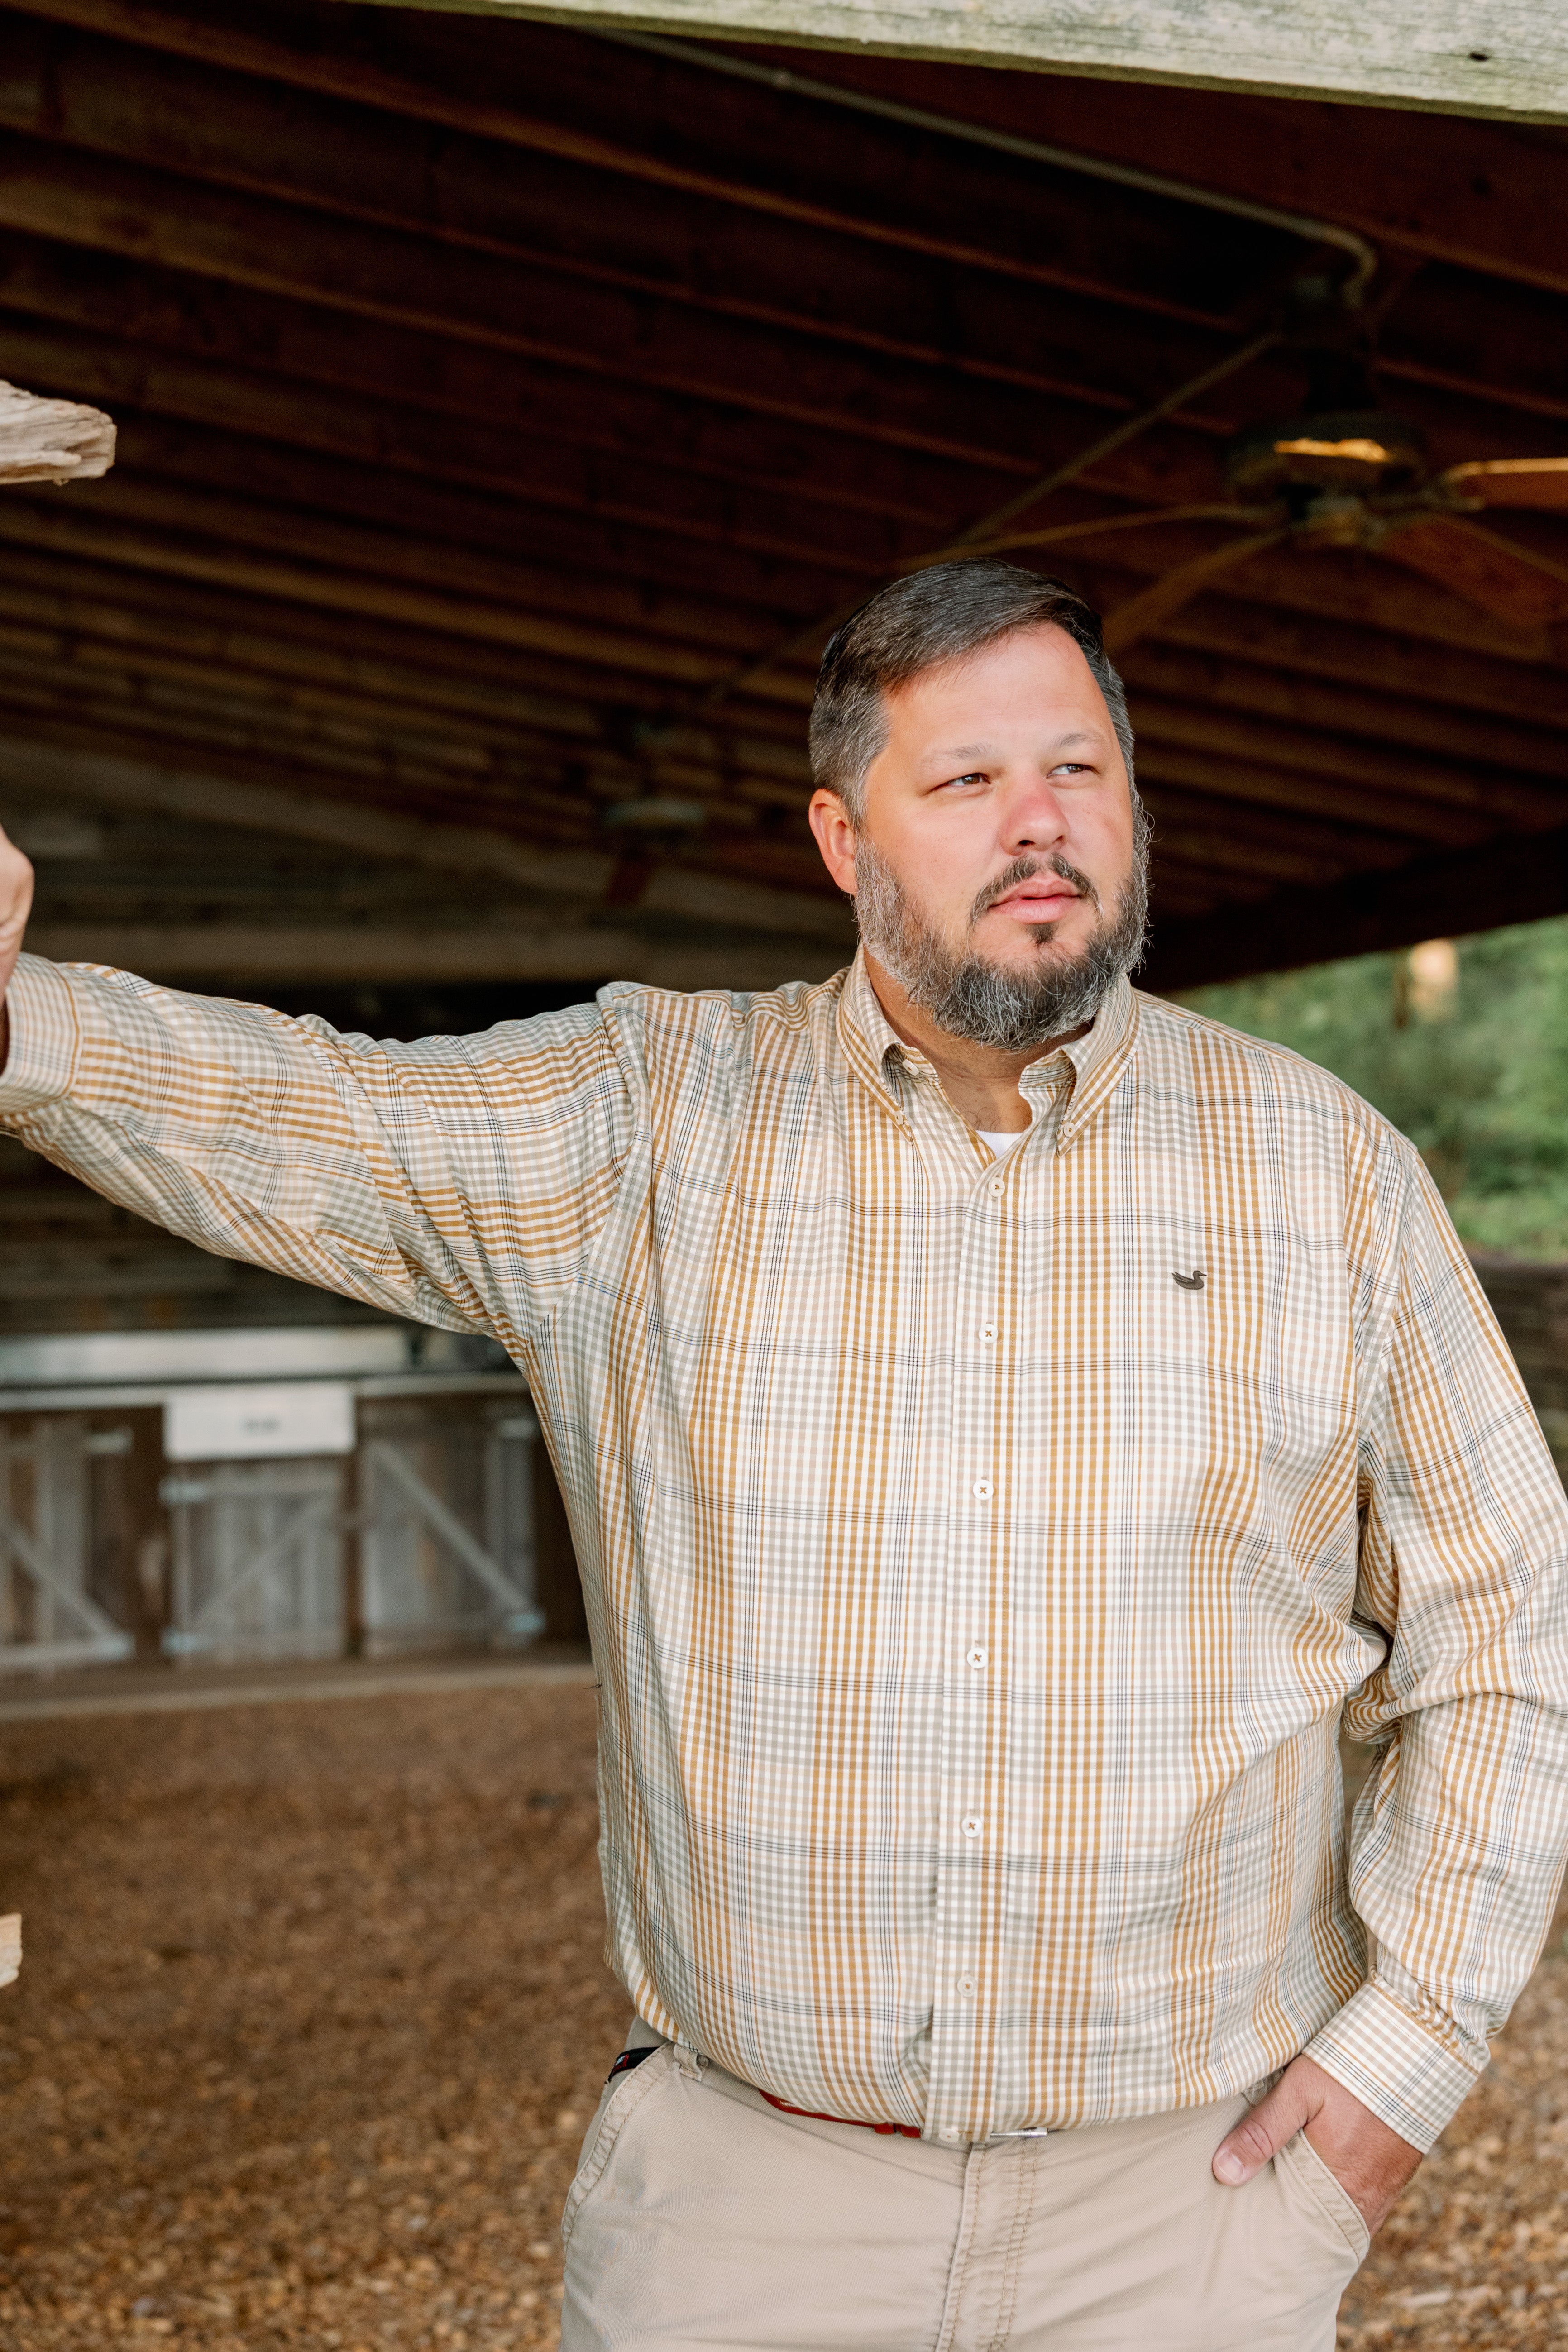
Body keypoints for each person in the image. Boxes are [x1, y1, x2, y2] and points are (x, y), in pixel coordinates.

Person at [1, 561, 1565, 2351]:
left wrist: (1401, 2062)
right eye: (963, 783)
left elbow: (1511, 1623)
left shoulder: (1320, 1170)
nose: (1036, 825)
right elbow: (315, 1108)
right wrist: (24, 1022)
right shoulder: (648, 1123)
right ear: (841, 839)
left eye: (1077, 771)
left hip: (1187, 2211)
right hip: (750, 2214)